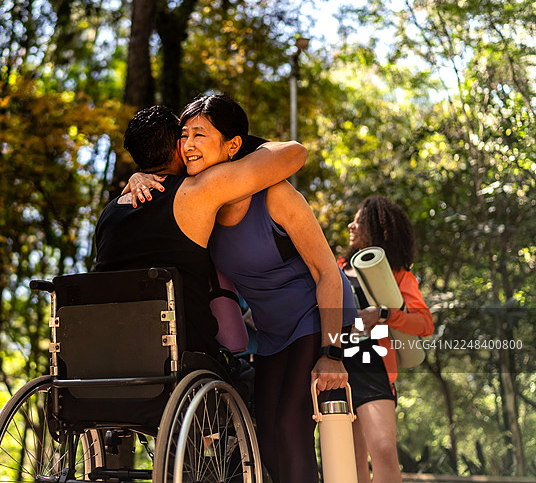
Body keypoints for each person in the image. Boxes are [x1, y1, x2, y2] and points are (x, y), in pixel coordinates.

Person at [127, 94, 357, 483]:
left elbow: (327, 273)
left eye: (200, 134)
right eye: (184, 135)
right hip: (271, 332)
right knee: (263, 438)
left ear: (233, 145)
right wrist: (136, 177)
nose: (188, 144)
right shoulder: (199, 201)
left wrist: (331, 352)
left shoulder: (275, 196)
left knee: (290, 429)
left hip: (317, 316)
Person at [93, 104, 307, 357]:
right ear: (178, 147)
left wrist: (137, 175)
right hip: (185, 351)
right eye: (184, 136)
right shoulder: (198, 191)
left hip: (112, 351)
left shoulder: (108, 213)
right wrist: (233, 142)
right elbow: (295, 153)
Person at [338, 196, 435, 483]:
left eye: (359, 221)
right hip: (335, 365)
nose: (351, 225)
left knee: (382, 449)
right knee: (350, 462)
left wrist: (384, 314)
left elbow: (425, 323)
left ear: (377, 228)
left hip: (374, 367)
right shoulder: (337, 267)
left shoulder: (398, 275)